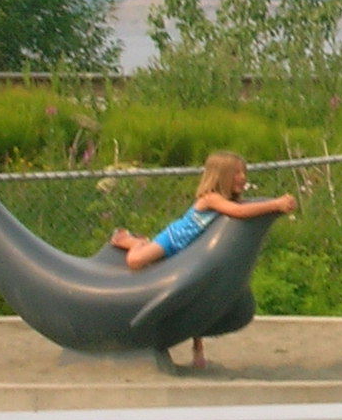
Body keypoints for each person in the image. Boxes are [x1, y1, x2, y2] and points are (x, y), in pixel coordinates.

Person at [108, 151, 296, 368]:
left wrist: (275, 205)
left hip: (191, 254)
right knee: (135, 261)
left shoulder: (227, 200)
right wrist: (275, 205)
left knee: (197, 300)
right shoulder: (210, 198)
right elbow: (239, 212)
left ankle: (198, 349)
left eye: (244, 172)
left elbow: (243, 206)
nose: (243, 177)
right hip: (172, 241)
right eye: (236, 173)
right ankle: (130, 241)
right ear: (220, 176)